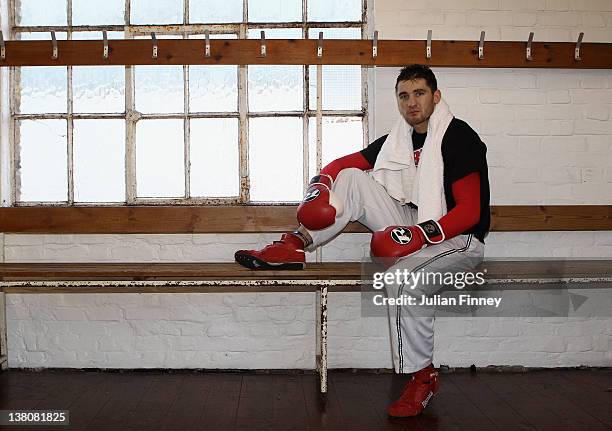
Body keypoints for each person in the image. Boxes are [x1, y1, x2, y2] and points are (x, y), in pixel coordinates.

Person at [235, 64, 490, 418]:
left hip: (458, 240)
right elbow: (344, 164)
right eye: (404, 95)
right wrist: (321, 184)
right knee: (353, 178)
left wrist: (418, 234)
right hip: (417, 226)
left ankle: (423, 376)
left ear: (436, 96)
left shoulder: (458, 136)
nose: (411, 102)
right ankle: (294, 244)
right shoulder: (398, 140)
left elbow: (470, 211)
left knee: (403, 279)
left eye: (419, 93)